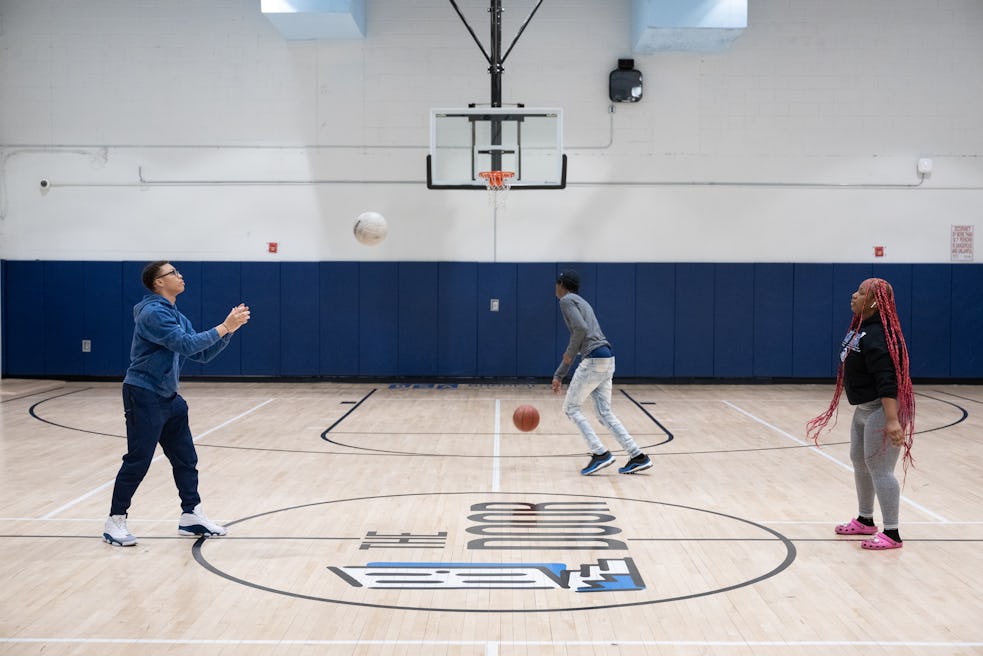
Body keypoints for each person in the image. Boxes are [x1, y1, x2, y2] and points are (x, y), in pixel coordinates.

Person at [103, 261, 250, 547]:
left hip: (169, 397)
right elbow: (186, 345)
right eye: (173, 272)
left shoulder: (176, 316)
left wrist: (230, 331)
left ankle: (191, 514)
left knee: (186, 459)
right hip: (143, 393)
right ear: (158, 282)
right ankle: (115, 520)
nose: (180, 275)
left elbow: (201, 354)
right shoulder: (153, 313)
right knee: (138, 460)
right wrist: (223, 326)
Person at [807, 277, 915, 551]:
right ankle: (866, 519)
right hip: (864, 408)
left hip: (883, 408)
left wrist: (892, 420)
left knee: (880, 468)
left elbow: (887, 379)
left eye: (860, 292)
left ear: (875, 302)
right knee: (859, 461)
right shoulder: (862, 328)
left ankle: (892, 532)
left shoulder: (880, 335)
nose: (853, 296)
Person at [551, 270, 653, 475]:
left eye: (556, 284)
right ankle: (637, 456)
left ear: (561, 284)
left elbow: (580, 329)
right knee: (604, 413)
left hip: (594, 359)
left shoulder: (566, 300)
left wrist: (562, 369)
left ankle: (600, 453)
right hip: (607, 358)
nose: (555, 288)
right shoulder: (582, 301)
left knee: (571, 408)